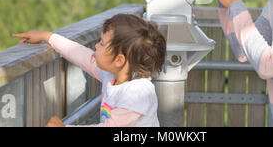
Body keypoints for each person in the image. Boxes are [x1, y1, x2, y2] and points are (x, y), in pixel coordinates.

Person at [12, 13, 166, 127]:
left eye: (102, 43)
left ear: (119, 60)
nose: (96, 46)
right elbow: (79, 54)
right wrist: (48, 37)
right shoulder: (113, 75)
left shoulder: (138, 92)